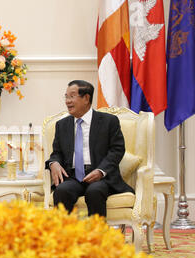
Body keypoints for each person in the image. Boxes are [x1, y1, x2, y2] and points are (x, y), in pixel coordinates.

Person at [45, 80, 133, 217]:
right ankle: (63, 236)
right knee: (62, 191)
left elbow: (117, 150)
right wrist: (53, 163)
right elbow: (57, 153)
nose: (67, 101)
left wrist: (101, 171)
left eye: (72, 96)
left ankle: (96, 236)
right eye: (66, 97)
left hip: (100, 177)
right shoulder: (62, 125)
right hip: (72, 177)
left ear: (86, 98)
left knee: (95, 191)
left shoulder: (109, 121)